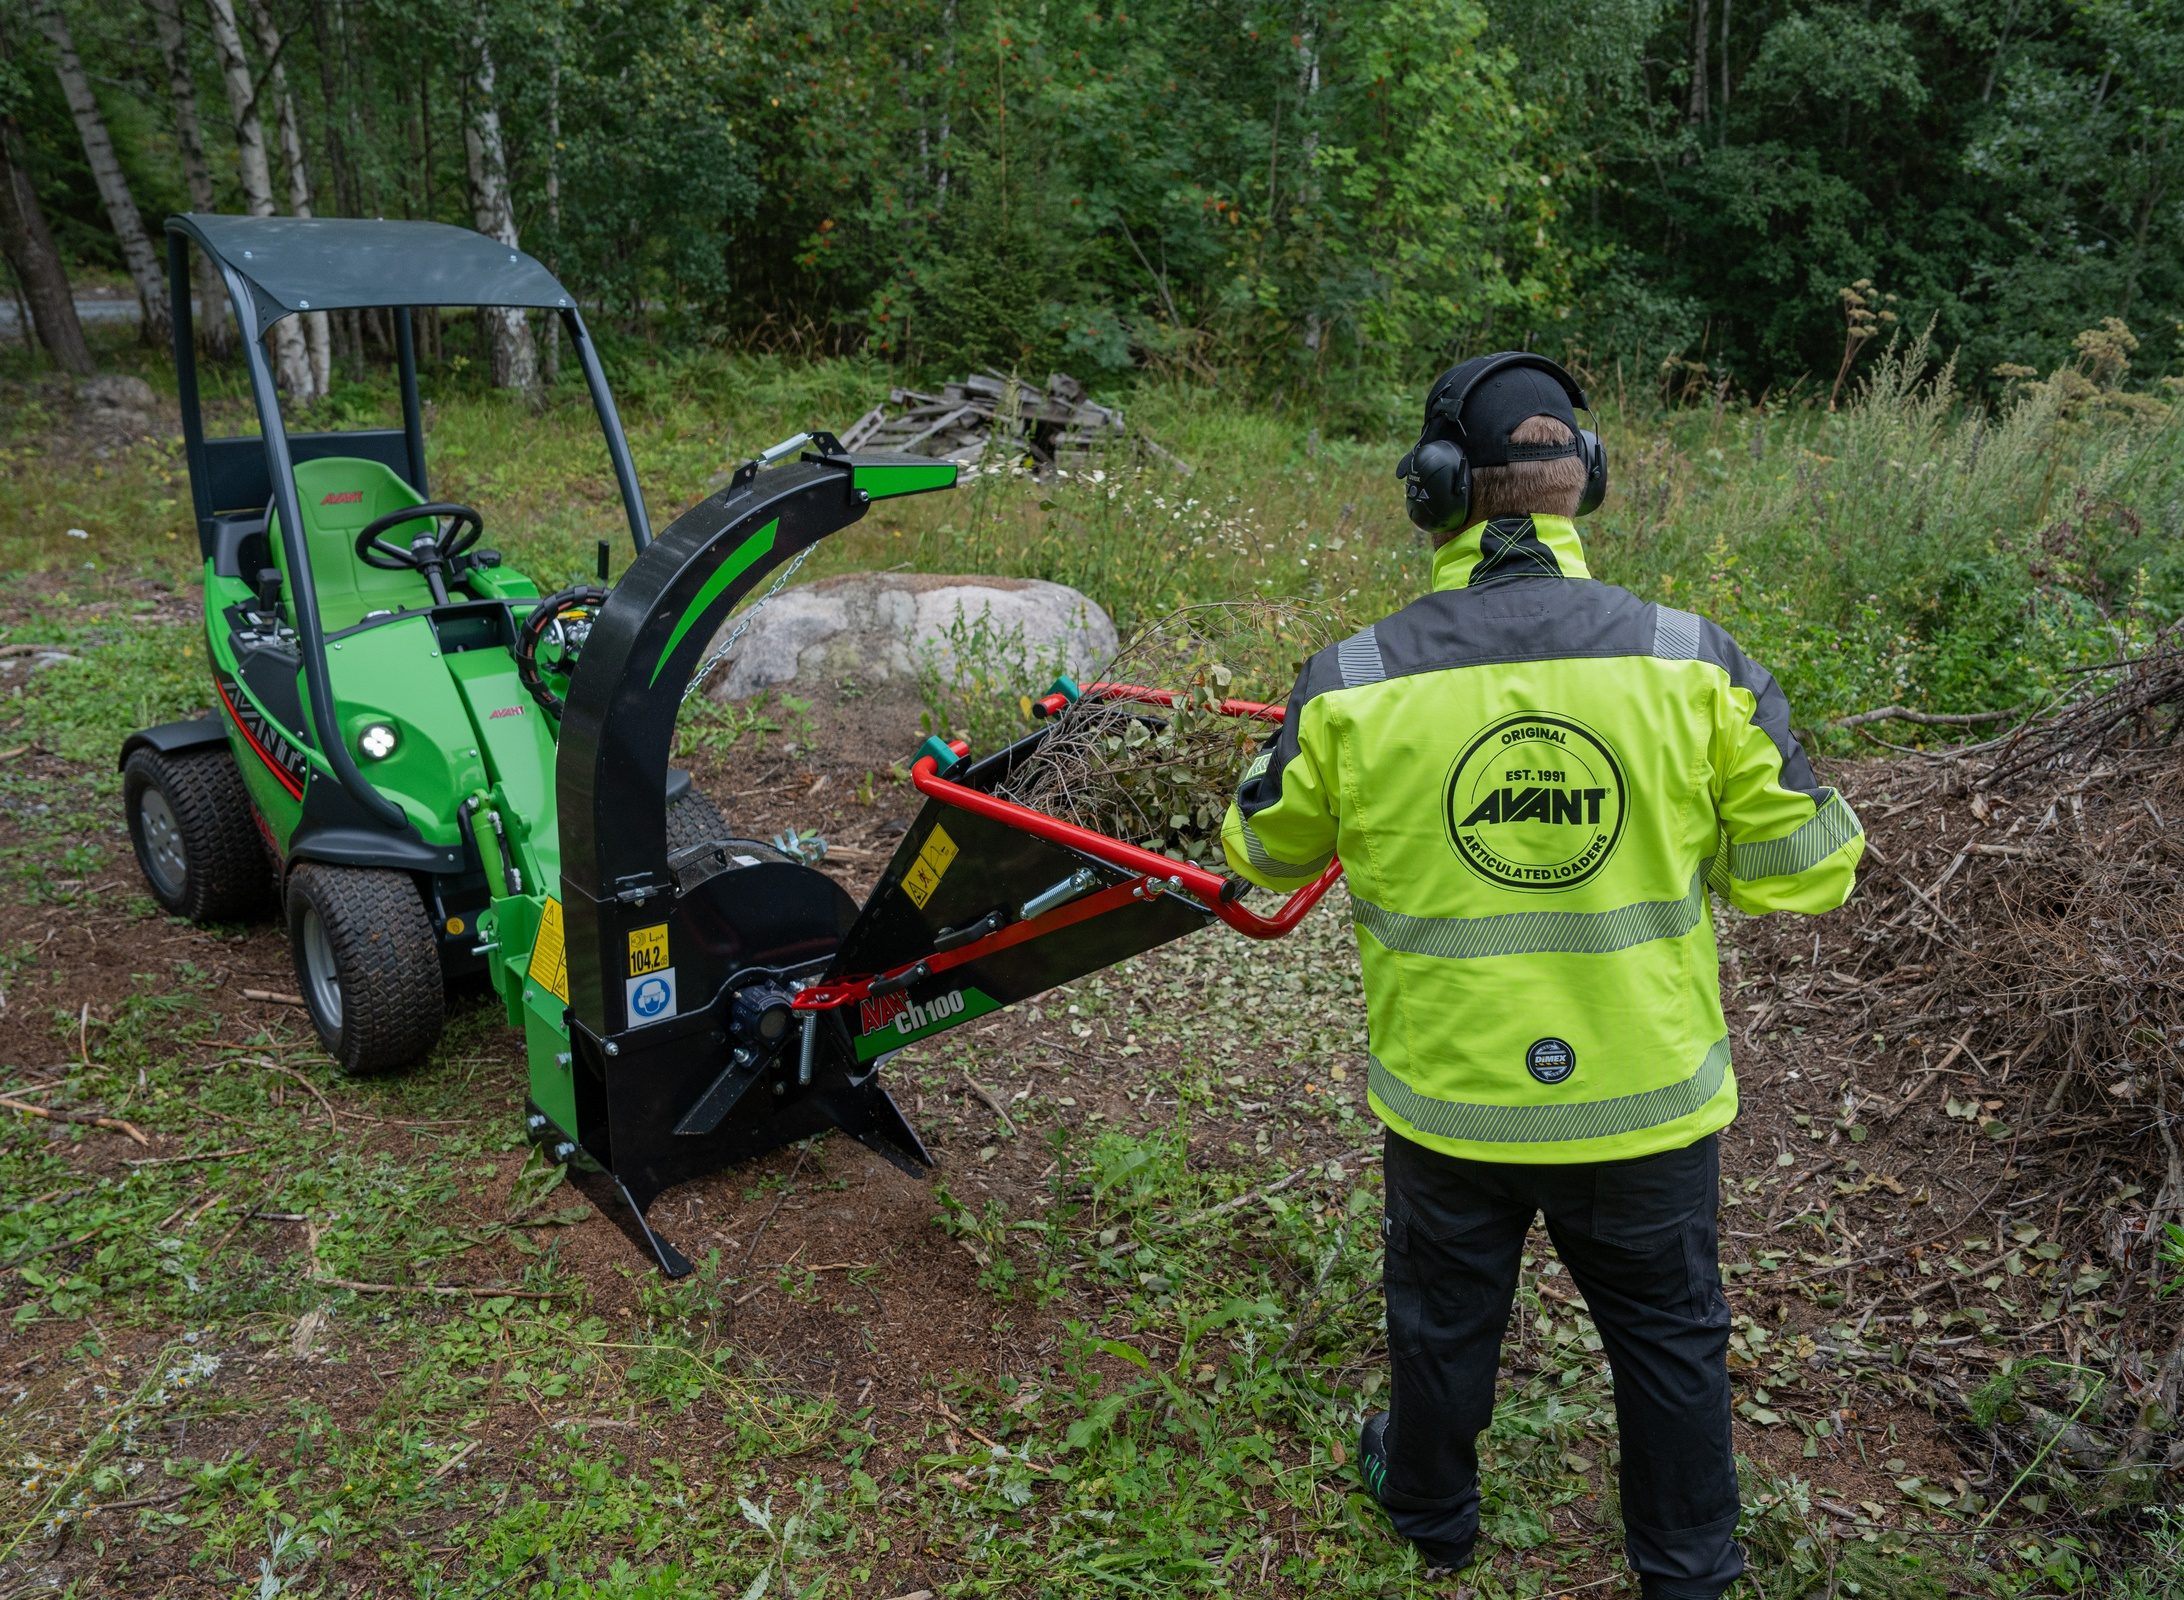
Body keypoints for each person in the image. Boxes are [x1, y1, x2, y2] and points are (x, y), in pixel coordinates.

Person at [1220, 353, 1864, 1596]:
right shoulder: (1695, 661)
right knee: (1671, 1335)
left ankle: (1431, 1511)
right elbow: (1804, 869)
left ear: (1433, 489)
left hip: (1454, 1102)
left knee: (1440, 1316)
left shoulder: (1354, 679)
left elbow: (1264, 849)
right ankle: (1687, 1567)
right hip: (1646, 1101)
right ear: (1586, 484)